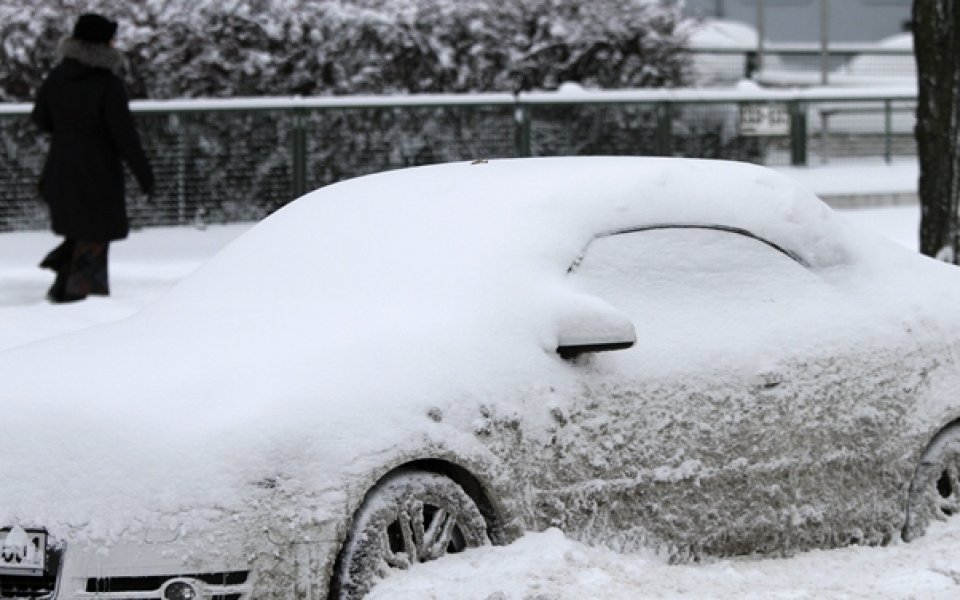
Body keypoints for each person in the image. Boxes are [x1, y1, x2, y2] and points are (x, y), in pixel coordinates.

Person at [32, 13, 154, 303]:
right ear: (103, 43)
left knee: (80, 230)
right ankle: (79, 303)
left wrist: (67, 134)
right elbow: (124, 136)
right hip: (97, 174)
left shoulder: (57, 77)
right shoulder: (107, 84)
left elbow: (40, 118)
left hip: (60, 168)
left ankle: (65, 277)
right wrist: (144, 175)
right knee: (95, 234)